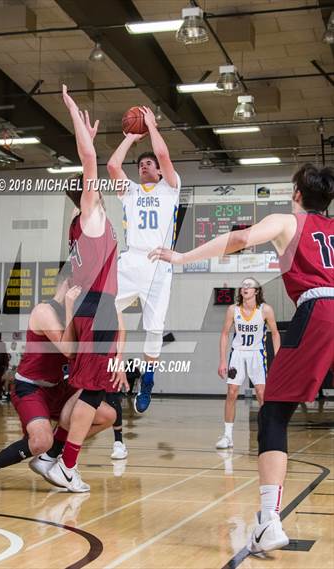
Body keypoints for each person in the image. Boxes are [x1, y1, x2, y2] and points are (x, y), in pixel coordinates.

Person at [149, 163, 334, 554]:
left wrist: (182, 258)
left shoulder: (287, 220)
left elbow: (240, 240)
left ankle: (269, 521)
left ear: (297, 193)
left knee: (273, 414)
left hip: (319, 310)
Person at [0, 265, 116, 493]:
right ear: (68, 284)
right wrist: (69, 306)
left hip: (59, 387)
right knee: (39, 441)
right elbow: (69, 350)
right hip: (31, 387)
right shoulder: (44, 311)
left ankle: (51, 458)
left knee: (107, 415)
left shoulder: (73, 312)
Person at [47, 86, 128, 492]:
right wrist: (74, 116)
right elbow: (89, 160)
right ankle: (65, 464)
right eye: (91, 186)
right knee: (93, 392)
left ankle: (55, 455)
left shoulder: (80, 226)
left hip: (92, 308)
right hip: (98, 308)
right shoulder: (91, 214)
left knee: (92, 391)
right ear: (85, 193)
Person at [107, 107, 181, 414]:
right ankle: (104, 366)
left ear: (161, 171)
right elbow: (112, 165)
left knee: (153, 328)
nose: (144, 166)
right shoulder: (132, 193)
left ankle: (147, 378)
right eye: (140, 164)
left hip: (159, 265)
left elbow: (163, 154)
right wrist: (129, 138)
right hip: (132, 260)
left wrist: (151, 127)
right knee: (100, 309)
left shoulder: (171, 188)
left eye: (148, 163)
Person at [216, 277, 280, 450]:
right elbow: (224, 334)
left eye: (249, 286)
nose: (245, 288)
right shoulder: (232, 310)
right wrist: (222, 361)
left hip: (257, 354)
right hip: (237, 353)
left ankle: (268, 432)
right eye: (243, 285)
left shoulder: (265, 310)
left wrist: (279, 358)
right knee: (232, 392)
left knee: (261, 393)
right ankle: (228, 436)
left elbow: (274, 333)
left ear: (256, 291)